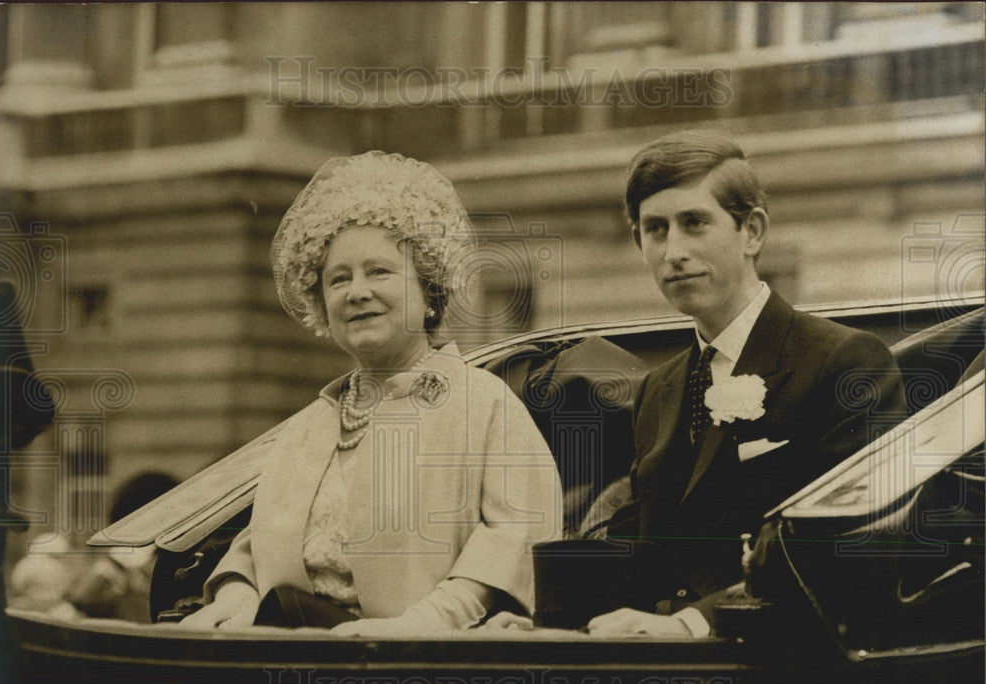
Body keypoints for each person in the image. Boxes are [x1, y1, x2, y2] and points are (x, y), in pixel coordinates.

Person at [181, 151, 561, 635]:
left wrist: (419, 625)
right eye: (338, 279)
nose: (356, 292)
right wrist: (238, 593)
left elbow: (515, 537)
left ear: (429, 291)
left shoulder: (484, 404)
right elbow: (258, 545)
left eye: (379, 271)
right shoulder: (308, 426)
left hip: (425, 661)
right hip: (292, 650)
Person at [583, 129, 908, 639]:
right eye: (655, 229)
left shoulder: (844, 362)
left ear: (752, 232)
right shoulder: (656, 391)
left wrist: (692, 624)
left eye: (694, 223)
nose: (673, 251)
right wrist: (548, 620)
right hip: (662, 666)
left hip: (785, 666)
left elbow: (852, 548)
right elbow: (636, 555)